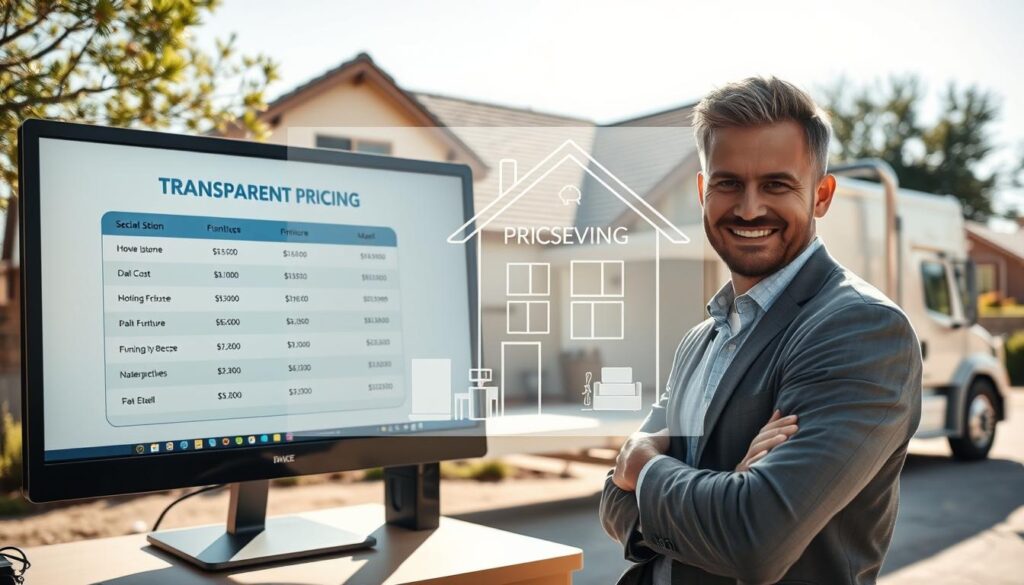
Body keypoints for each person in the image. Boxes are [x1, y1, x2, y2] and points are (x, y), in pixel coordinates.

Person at [599, 76, 922, 585]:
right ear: (704, 191)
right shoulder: (701, 339)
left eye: (776, 184)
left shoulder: (859, 328)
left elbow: (754, 538)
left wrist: (644, 468)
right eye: (729, 183)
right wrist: (724, 489)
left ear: (821, 195)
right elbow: (610, 502)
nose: (749, 208)